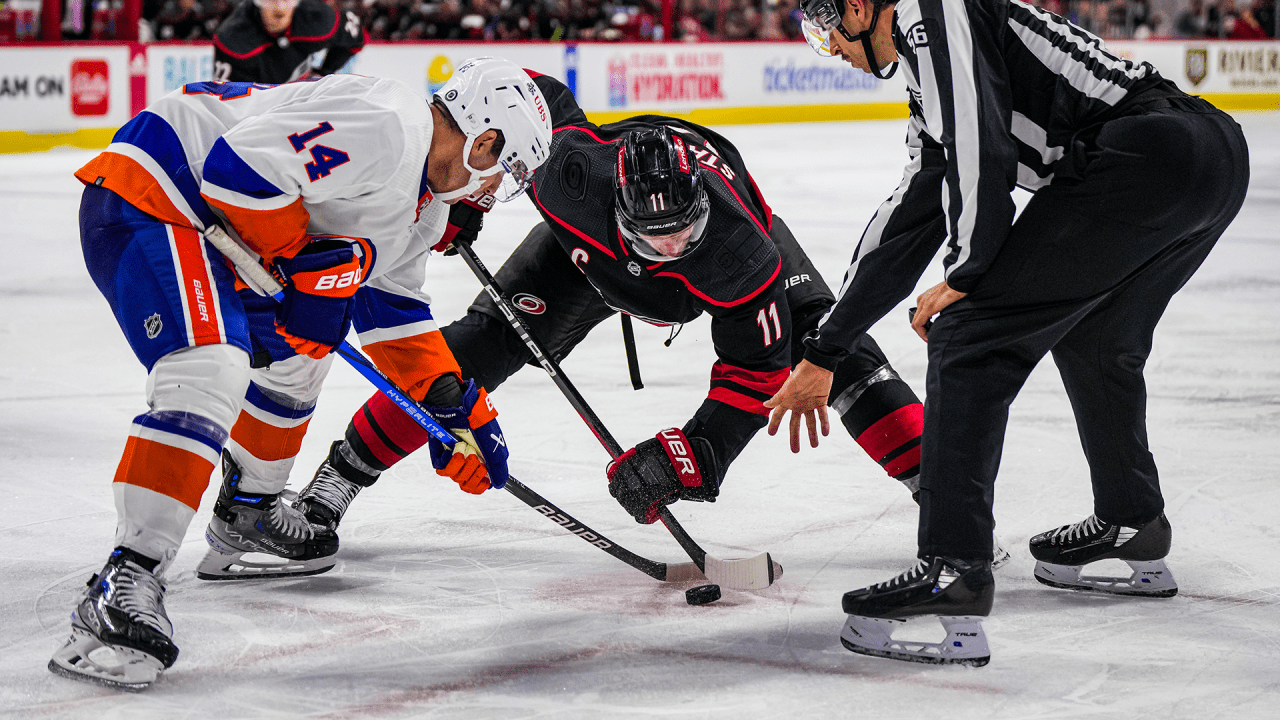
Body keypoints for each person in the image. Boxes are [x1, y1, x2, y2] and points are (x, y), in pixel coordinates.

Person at [263, 72, 951, 566]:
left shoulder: (742, 255)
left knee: (834, 349)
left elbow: (753, 373)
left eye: (682, 238)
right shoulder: (570, 174)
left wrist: (696, 454)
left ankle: (946, 499)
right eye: (654, 242)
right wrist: (470, 192)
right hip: (589, 257)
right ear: (616, 205)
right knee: (479, 346)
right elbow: (530, 93)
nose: (668, 254)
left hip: (730, 256)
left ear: (703, 217)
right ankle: (337, 481)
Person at [765, 0, 1249, 666]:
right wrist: (829, 344)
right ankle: (1131, 521)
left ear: (856, 7)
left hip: (1146, 153)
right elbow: (913, 213)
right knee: (1097, 339)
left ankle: (952, 570)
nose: (834, 51)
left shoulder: (929, 12)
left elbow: (981, 149)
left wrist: (966, 275)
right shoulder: (926, 69)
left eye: (829, 35)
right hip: (1205, 157)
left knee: (968, 335)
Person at [47, 57, 553, 691]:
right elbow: (238, 170)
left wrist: (452, 407)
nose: (493, 191)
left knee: (302, 347)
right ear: (484, 140)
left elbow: (391, 307)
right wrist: (302, 262)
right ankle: (125, 580)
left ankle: (249, 512)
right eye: (504, 170)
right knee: (211, 365)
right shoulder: (391, 124)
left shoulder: (424, 208)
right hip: (158, 195)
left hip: (218, 227)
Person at [213, 0, 366, 84]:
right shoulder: (232, 39)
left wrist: (325, 71)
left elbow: (357, 38)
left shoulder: (318, 19)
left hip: (300, 90)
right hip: (258, 102)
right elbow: (227, 101)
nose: (279, 8)